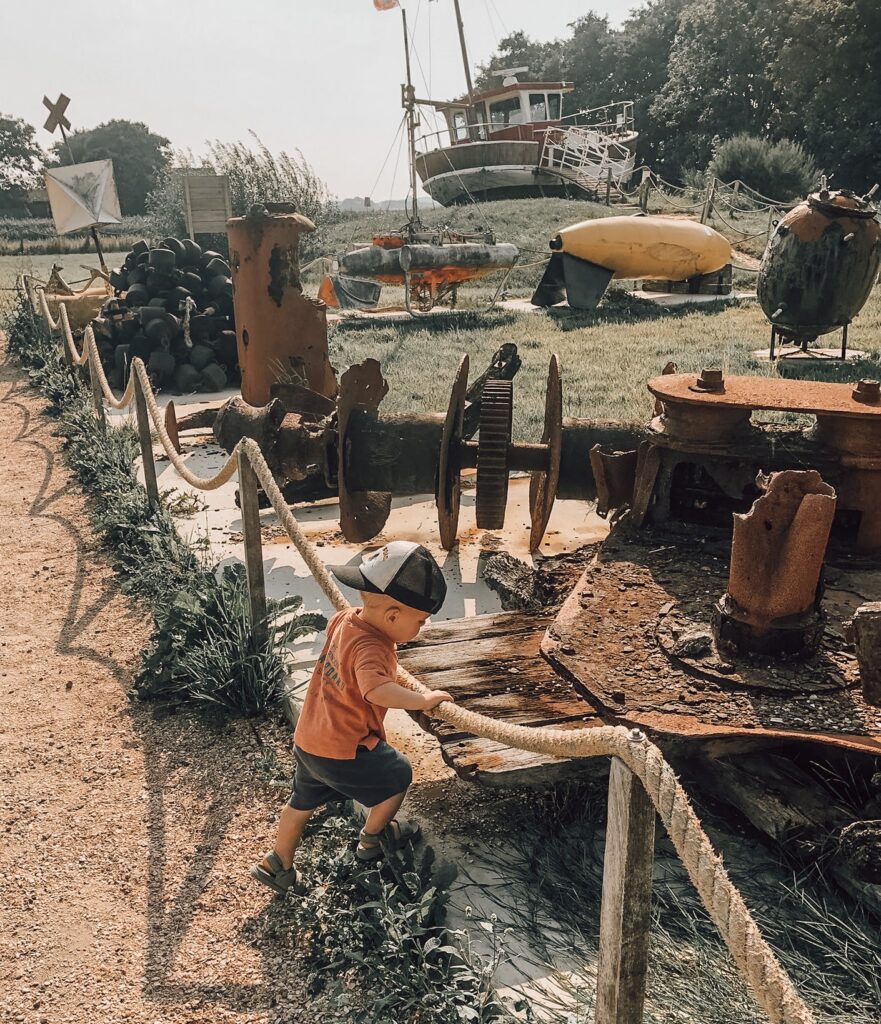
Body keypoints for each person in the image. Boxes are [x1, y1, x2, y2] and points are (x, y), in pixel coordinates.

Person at [251, 541, 453, 895]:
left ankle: (277, 862)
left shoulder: (345, 619)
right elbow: (376, 690)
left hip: (311, 738)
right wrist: (422, 699)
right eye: (420, 620)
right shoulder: (373, 648)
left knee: (300, 802)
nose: (422, 626)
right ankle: (371, 840)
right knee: (398, 775)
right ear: (392, 616)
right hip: (343, 747)